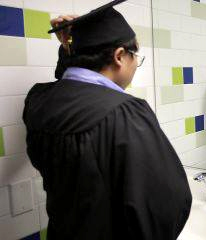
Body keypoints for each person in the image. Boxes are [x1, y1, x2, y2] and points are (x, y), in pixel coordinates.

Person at [22, 1, 192, 239]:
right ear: (120, 56)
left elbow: (71, 86)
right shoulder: (124, 113)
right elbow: (164, 207)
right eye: (136, 57)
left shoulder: (39, 101)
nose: (136, 65)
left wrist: (70, 48)